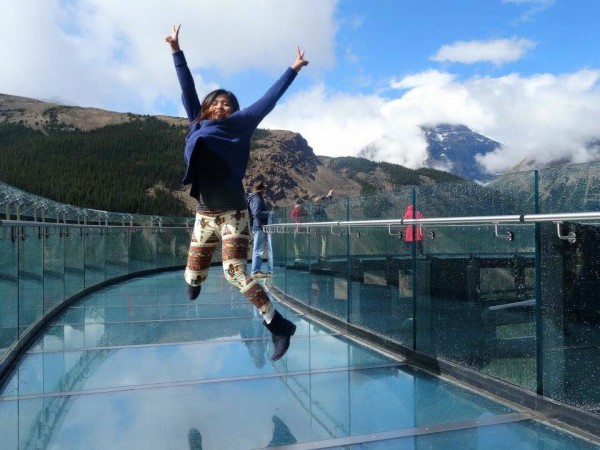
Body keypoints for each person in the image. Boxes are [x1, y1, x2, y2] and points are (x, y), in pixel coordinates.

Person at [165, 24, 308, 361]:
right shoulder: (197, 125)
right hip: (204, 214)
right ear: (206, 108)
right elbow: (187, 90)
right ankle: (194, 279)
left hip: (233, 214)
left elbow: (268, 100)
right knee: (192, 275)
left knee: (234, 273)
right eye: (216, 103)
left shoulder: (241, 124)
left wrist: (293, 69)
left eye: (227, 104)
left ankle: (278, 325)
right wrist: (176, 51)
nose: (221, 107)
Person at [247, 181, 273, 278]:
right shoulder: (256, 199)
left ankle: (256, 270)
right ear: (261, 190)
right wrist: (269, 213)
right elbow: (257, 213)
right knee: (258, 249)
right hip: (259, 227)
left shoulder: (255, 198)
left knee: (258, 249)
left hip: (259, 226)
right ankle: (255, 271)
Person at [312, 190, 333, 259]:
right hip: (322, 226)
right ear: (318, 201)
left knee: (317, 241)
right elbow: (325, 204)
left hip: (316, 226)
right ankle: (323, 256)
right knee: (324, 240)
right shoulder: (318, 208)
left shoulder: (314, 208)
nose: (322, 201)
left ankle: (317, 255)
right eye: (321, 200)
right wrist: (329, 196)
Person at [290, 198, 308, 262]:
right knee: (303, 241)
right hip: (304, 228)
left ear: (296, 203)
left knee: (296, 242)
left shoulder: (295, 210)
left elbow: (292, 219)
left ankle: (297, 256)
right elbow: (306, 218)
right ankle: (304, 254)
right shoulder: (304, 210)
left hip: (296, 228)